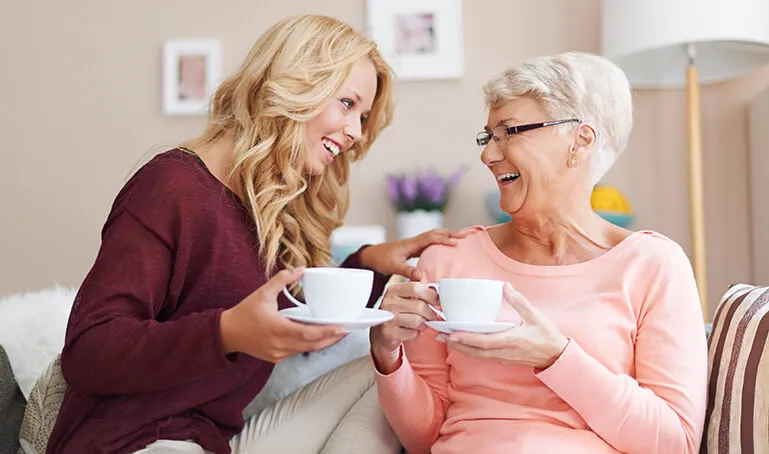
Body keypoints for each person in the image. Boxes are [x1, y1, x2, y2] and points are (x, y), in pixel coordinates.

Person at [47, 14, 462, 454]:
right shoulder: (171, 187)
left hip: (210, 441)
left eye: (362, 115)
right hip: (133, 442)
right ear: (297, 83)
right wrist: (226, 333)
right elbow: (88, 352)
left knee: (380, 373)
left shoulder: (263, 206)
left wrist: (370, 264)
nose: (357, 133)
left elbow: (279, 318)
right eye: (347, 104)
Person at [370, 52, 708, 454]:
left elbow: (676, 443)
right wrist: (386, 353)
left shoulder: (654, 266)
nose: (488, 155)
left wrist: (555, 357)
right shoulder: (446, 260)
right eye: (488, 136)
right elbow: (426, 437)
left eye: (509, 131)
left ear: (580, 141)